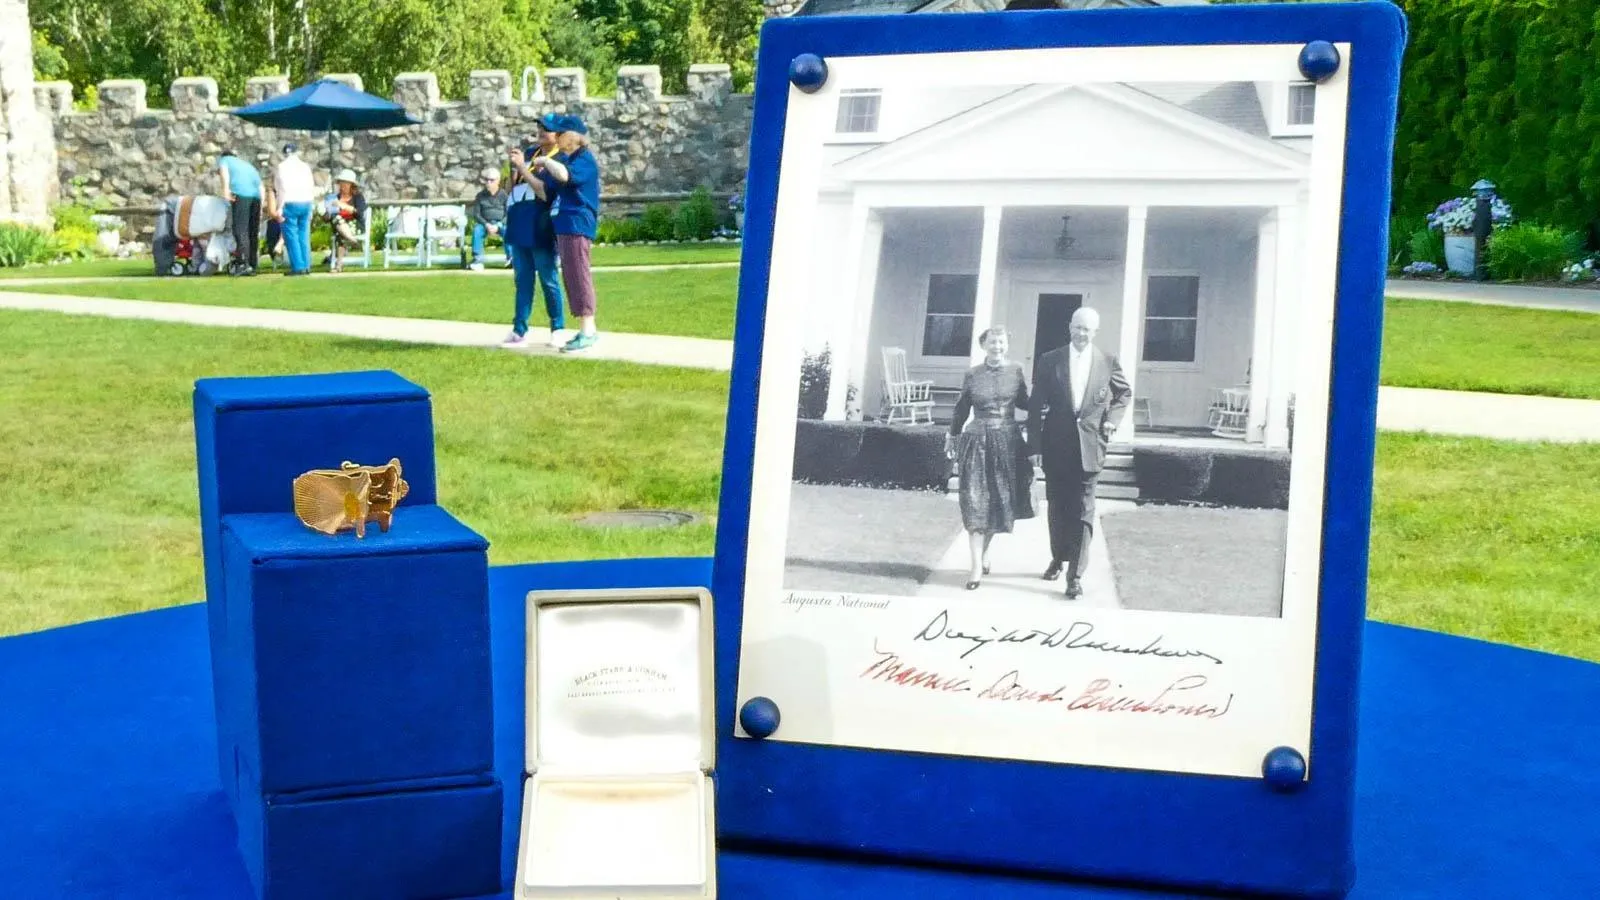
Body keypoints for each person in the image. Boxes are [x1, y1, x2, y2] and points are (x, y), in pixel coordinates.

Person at [1027, 307, 1131, 598]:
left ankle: (1075, 575)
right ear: (1069, 327)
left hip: (1090, 447)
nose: (1082, 334)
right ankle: (1058, 557)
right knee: (1058, 508)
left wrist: (1112, 419)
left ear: (1095, 332)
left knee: (1084, 510)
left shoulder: (1107, 361)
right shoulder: (1050, 360)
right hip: (1056, 446)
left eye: (1088, 329)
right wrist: (1033, 447)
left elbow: (1124, 394)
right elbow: (1035, 407)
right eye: (1078, 328)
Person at [944, 326, 1034, 590]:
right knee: (975, 501)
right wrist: (952, 435)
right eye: (992, 342)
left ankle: (984, 552)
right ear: (984, 345)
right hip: (977, 443)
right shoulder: (972, 374)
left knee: (997, 503)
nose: (997, 346)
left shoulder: (1016, 371)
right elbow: (962, 409)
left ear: (1007, 345)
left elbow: (1025, 402)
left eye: (1001, 342)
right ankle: (975, 569)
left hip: (1007, 443)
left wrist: (1050, 401)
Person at [531, 114, 602, 353]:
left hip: (577, 223)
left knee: (579, 274)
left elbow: (564, 176)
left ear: (572, 137)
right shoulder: (566, 159)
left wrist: (546, 161)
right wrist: (524, 168)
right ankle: (584, 329)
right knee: (571, 276)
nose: (556, 138)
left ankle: (589, 330)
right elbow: (545, 189)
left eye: (560, 134)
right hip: (563, 224)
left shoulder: (584, 160)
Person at [502, 140, 566, 347]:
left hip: (540, 224)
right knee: (522, 279)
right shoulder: (531, 153)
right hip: (519, 220)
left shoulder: (557, 158)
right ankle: (519, 329)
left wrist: (522, 167)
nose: (540, 133)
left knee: (548, 279)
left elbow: (544, 192)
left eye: (545, 129)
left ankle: (558, 328)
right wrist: (513, 169)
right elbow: (510, 191)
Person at [272, 143, 316, 276]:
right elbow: (311, 185)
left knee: (291, 236)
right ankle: (306, 265)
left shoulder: (281, 167)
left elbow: (281, 188)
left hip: (290, 202)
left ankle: (298, 266)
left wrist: (279, 207)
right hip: (305, 202)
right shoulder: (305, 166)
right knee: (303, 234)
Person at [217, 151, 262, 275]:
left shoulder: (224, 160)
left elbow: (224, 173)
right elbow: (259, 184)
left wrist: (225, 190)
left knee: (240, 230)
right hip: (256, 197)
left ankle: (243, 263)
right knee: (252, 231)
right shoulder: (247, 165)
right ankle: (253, 263)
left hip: (241, 195)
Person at [321, 169, 368, 273]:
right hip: (339, 226)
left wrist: (345, 206)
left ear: (351, 185)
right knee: (335, 219)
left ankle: (339, 265)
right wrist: (326, 213)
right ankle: (353, 242)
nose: (343, 185)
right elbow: (326, 219)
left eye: (346, 183)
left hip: (355, 226)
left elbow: (360, 213)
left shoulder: (357, 197)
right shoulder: (334, 198)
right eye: (341, 183)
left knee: (339, 230)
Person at [467, 169, 508, 271]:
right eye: (487, 180)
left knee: (509, 231)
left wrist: (498, 224)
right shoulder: (480, 196)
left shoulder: (504, 195)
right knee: (477, 230)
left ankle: (511, 259)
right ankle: (477, 260)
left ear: (498, 181)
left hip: (500, 223)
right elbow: (476, 214)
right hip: (485, 223)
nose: (488, 183)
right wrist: (486, 224)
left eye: (491, 180)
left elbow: (509, 214)